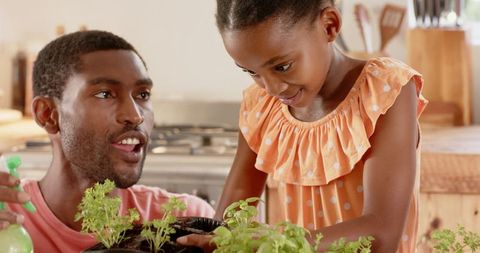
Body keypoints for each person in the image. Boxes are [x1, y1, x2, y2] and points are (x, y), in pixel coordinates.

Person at [178, 0, 428, 252]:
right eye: (252, 72)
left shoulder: (384, 92)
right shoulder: (261, 106)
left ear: (329, 26)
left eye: (282, 67)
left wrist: (264, 244)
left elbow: (381, 234)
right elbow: (229, 218)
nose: (272, 89)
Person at [0, 30, 214, 252]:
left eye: (142, 95)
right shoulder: (7, 219)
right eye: (105, 94)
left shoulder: (188, 221)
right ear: (48, 114)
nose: (135, 115)